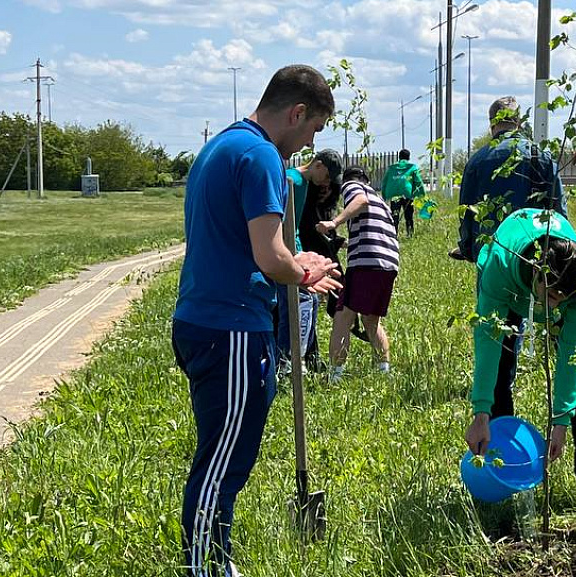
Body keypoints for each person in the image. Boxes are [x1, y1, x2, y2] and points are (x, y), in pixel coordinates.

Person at [171, 64, 342, 577]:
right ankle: (205, 568)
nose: (310, 143)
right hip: (231, 330)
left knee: (220, 455)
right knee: (221, 466)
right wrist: (303, 272)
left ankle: (213, 562)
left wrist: (292, 261)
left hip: (203, 320)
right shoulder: (262, 155)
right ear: (296, 113)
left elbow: (249, 245)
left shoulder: (222, 146)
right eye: (313, 129)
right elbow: (270, 257)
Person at [464, 208, 576, 508]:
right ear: (536, 270)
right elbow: (487, 343)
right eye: (553, 296)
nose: (554, 307)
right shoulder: (500, 264)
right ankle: (501, 461)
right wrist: (480, 413)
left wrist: (561, 421)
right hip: (509, 284)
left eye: (562, 300)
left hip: (549, 285)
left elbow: (573, 356)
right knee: (500, 365)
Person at [452, 96, 566, 262]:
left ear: (492, 123)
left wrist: (467, 248)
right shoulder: (541, 156)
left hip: (489, 253)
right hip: (534, 251)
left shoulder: (476, 161)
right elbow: (559, 208)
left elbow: (466, 212)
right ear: (518, 122)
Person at [316, 166, 400, 382]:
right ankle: (384, 371)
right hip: (388, 263)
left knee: (343, 316)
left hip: (366, 261)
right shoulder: (381, 202)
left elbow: (360, 201)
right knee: (371, 320)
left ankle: (335, 375)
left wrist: (334, 222)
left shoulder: (352, 186)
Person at [276, 149, 343, 377]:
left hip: (296, 250)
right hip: (287, 254)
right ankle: (288, 361)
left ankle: (304, 357)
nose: (326, 182)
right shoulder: (292, 180)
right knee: (298, 302)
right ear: (318, 165)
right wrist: (293, 257)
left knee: (310, 301)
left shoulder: (303, 183)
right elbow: (282, 223)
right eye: (327, 176)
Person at [381, 148, 426, 237]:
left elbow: (384, 182)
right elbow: (418, 182)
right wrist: (422, 194)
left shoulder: (391, 168)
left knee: (395, 216)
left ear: (399, 157)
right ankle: (410, 234)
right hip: (407, 195)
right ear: (409, 157)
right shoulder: (412, 167)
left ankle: (393, 235)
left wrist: (384, 195)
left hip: (394, 195)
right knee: (409, 216)